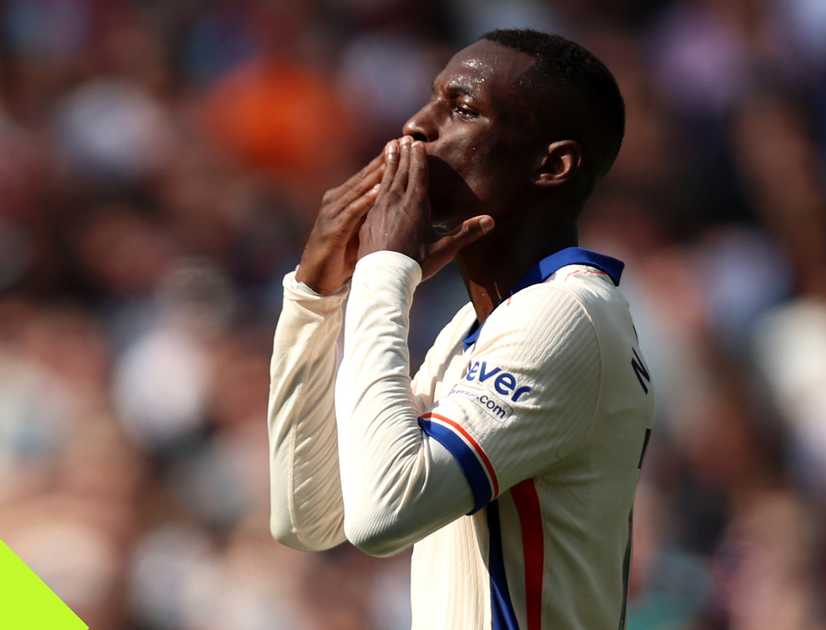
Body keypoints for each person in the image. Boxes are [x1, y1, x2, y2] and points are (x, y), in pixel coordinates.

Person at [267, 28, 654, 629]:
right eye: (432, 99)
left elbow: (383, 515)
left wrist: (384, 269)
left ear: (551, 165)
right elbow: (309, 517)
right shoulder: (479, 326)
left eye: (463, 109)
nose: (417, 126)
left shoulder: (564, 316)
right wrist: (316, 300)